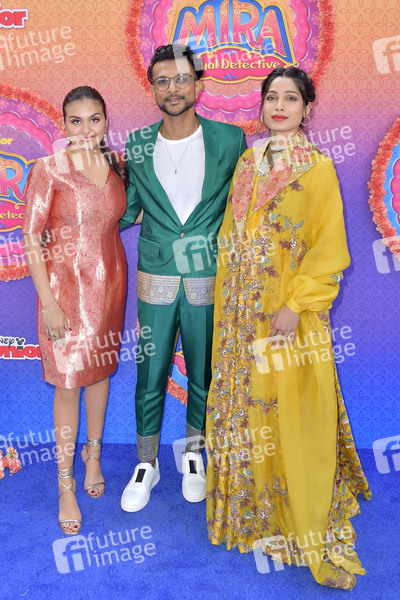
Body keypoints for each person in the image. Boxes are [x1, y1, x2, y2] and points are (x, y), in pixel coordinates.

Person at [205, 67, 371, 589]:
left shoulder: (316, 167)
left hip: (285, 312)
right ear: (261, 105)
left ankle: (295, 511)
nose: (279, 106)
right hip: (239, 312)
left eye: (291, 98)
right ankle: (248, 510)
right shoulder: (247, 162)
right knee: (244, 405)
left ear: (307, 108)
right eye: (272, 97)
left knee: (288, 406)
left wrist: (296, 305)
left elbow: (327, 247)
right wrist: (231, 300)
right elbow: (231, 233)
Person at [120, 44, 246, 512]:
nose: (173, 89)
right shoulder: (136, 144)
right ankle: (146, 463)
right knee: (149, 373)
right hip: (155, 274)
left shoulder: (230, 139)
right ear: (152, 88)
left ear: (198, 83)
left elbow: (244, 207)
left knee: (203, 372)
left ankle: (194, 454)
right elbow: (128, 208)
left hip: (206, 275)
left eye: (181, 79)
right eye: (163, 81)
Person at [22, 86, 128, 535]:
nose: (86, 129)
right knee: (67, 385)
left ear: (106, 121)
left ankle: (93, 456)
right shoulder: (49, 169)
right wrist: (48, 303)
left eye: (95, 119)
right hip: (64, 293)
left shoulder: (118, 165)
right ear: (63, 124)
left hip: (111, 287)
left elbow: (121, 218)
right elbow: (31, 237)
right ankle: (65, 484)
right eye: (76, 120)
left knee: (100, 374)